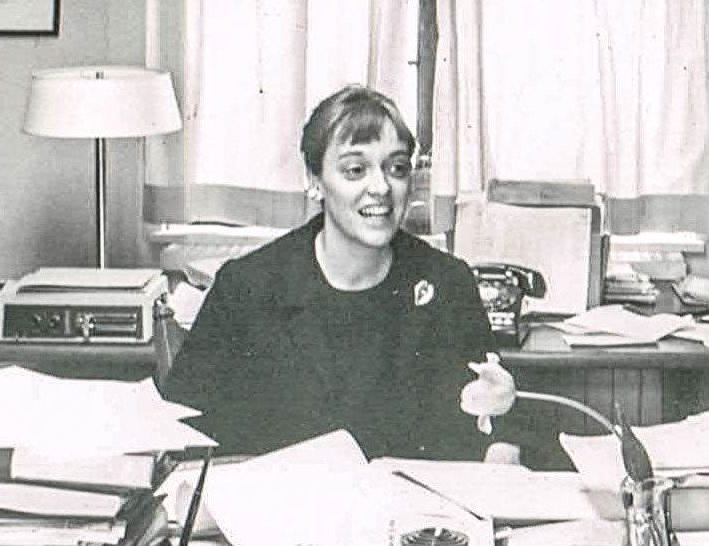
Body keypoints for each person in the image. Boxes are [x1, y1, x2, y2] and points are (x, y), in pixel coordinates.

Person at [161, 84, 516, 460]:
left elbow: (489, 430)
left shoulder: (447, 283)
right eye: (355, 170)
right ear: (315, 181)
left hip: (410, 515)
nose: (380, 187)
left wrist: (502, 422)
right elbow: (185, 434)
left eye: (396, 168)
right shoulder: (248, 287)